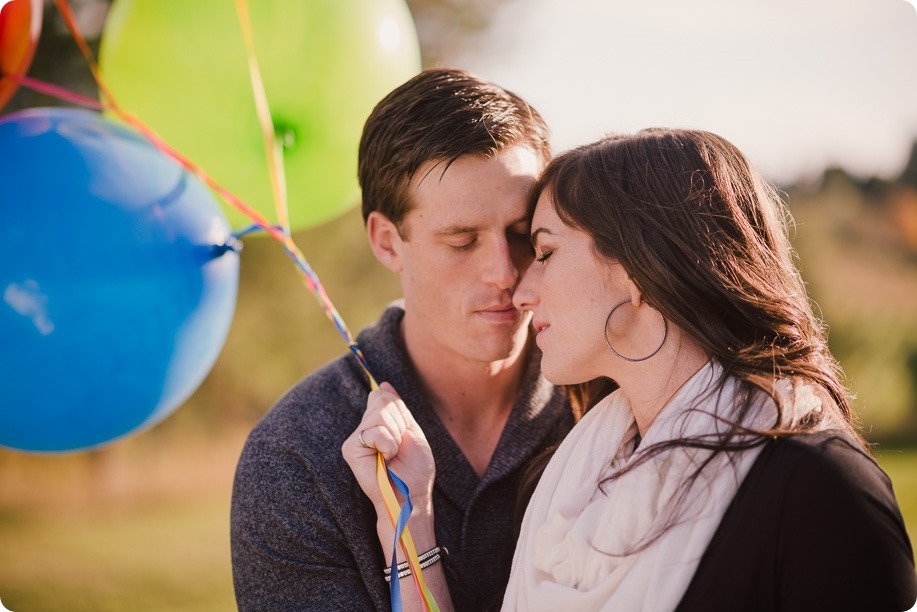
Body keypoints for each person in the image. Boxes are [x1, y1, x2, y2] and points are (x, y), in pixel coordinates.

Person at [346, 128, 917, 611]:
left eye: (542, 252)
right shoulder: (564, 485)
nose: (521, 289)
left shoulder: (819, 492)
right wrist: (412, 522)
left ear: (639, 267)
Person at [230, 68, 574, 611]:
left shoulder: (611, 404)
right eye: (462, 242)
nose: (505, 273)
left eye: (519, 234)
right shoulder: (294, 455)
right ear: (388, 243)